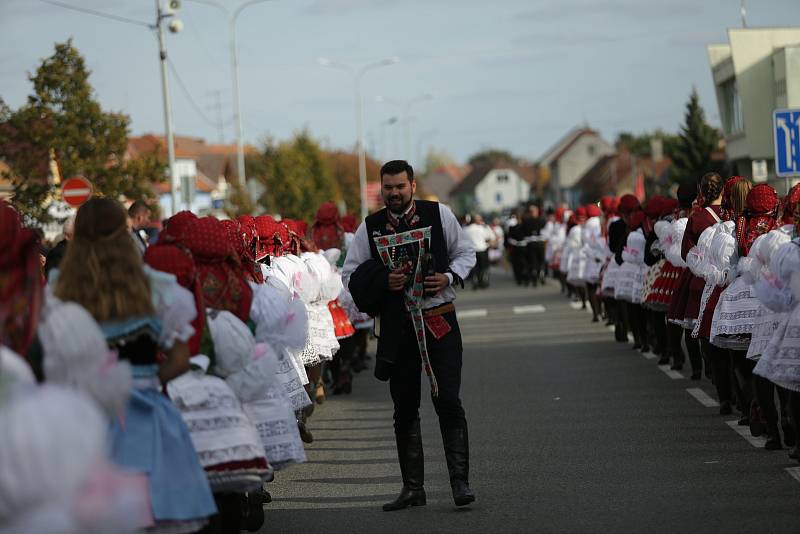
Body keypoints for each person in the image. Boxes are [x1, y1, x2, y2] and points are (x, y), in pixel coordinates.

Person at [342, 160, 476, 510]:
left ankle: (460, 483)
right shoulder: (369, 227)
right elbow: (350, 274)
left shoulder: (439, 213)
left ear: (412, 185)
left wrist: (448, 277)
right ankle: (413, 488)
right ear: (382, 188)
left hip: (438, 319)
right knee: (404, 406)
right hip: (397, 328)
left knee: (447, 399)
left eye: (400, 186)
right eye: (388, 187)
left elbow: (467, 252)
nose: (394, 193)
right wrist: (382, 282)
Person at [464, 214, 495, 289]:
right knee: (483, 267)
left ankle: (475, 282)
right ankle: (483, 282)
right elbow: (491, 238)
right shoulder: (483, 228)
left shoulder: (466, 229)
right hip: (482, 249)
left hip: (471, 251)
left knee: (474, 268)